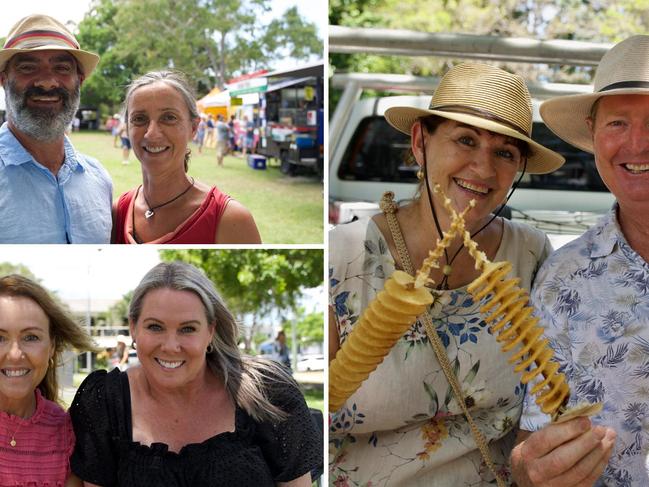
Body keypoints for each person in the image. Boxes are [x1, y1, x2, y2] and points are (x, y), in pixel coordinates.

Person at [329, 63, 566, 485]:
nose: (484, 168)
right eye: (466, 140)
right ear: (421, 142)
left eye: (505, 153)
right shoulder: (342, 257)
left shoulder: (531, 254)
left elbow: (544, 405)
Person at [511, 36, 649, 487]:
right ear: (592, 134)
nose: (638, 144)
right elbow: (535, 439)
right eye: (617, 123)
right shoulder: (562, 278)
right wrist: (532, 471)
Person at [69, 261, 322, 486]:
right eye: (155, 326)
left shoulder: (268, 391)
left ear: (210, 331)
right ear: (133, 327)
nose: (170, 346)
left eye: (187, 329)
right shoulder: (101, 401)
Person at [112, 70, 261, 244]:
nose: (151, 133)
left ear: (194, 128)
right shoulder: (118, 212)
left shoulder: (229, 219)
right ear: (127, 127)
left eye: (169, 117)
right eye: (139, 118)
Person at [0, 14, 112, 244]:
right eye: (28, 67)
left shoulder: (99, 178)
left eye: (61, 68)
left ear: (79, 81)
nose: (47, 82)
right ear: (3, 80)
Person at [0, 274, 95, 486]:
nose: (15, 354)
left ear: (52, 346)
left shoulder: (68, 434)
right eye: (0, 338)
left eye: (31, 337)